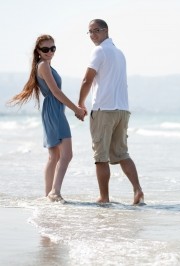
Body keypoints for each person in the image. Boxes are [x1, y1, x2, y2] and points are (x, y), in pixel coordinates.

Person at [9, 34, 86, 202]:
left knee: (55, 156)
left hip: (52, 109)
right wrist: (77, 110)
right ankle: (55, 192)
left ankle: (49, 194)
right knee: (66, 154)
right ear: (38, 51)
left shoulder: (46, 65)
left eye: (53, 48)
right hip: (54, 109)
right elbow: (56, 92)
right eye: (45, 49)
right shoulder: (43, 65)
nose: (50, 52)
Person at [77, 19, 144, 205]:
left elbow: (87, 80)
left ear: (106, 31)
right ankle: (138, 190)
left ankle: (104, 198)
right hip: (122, 110)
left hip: (104, 110)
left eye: (96, 31)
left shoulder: (99, 51)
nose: (92, 35)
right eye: (89, 32)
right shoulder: (119, 53)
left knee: (101, 157)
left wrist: (80, 103)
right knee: (122, 154)